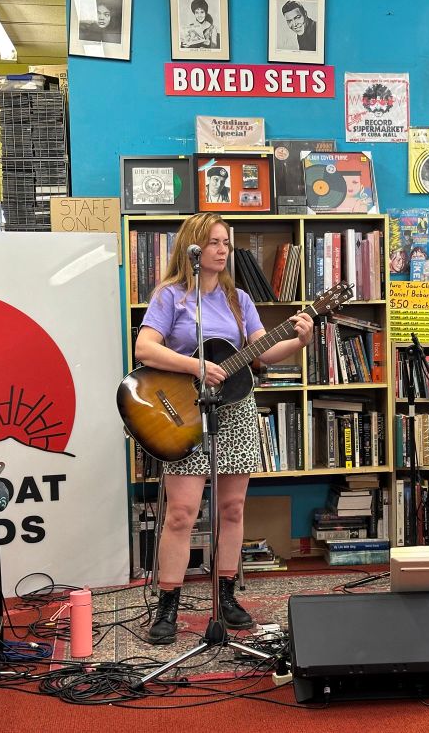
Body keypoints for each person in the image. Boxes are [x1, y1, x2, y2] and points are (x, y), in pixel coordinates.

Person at [135, 213, 313, 644]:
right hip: (184, 413)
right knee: (180, 514)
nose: (222, 250)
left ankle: (227, 594)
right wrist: (197, 365)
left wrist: (301, 339)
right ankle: (168, 605)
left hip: (235, 412)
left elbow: (261, 354)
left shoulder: (240, 301)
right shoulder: (170, 296)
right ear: (194, 247)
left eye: (226, 244)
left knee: (232, 511)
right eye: (214, 242)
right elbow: (145, 348)